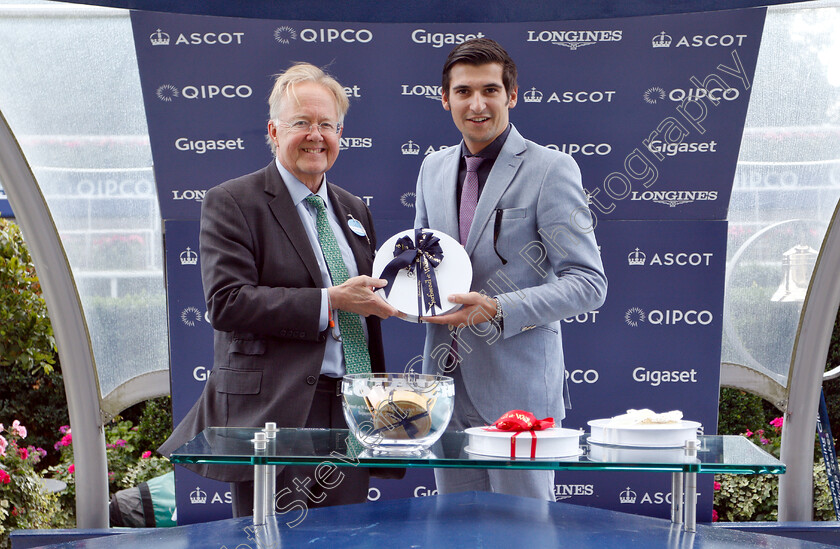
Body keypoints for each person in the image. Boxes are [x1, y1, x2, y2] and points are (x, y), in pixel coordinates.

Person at [158, 62, 400, 517]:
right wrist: (330, 302)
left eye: (327, 124)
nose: (316, 135)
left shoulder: (353, 209)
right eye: (302, 123)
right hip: (278, 411)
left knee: (345, 538)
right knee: (275, 538)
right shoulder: (233, 201)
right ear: (273, 131)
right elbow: (227, 302)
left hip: (353, 408)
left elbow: (368, 300)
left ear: (340, 133)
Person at [414, 38, 608, 501]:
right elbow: (424, 265)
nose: (476, 104)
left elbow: (588, 283)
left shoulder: (550, 169)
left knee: (524, 533)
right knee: (456, 532)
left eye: (490, 90)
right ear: (445, 99)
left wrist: (497, 308)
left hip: (520, 394)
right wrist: (403, 297)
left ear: (512, 95)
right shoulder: (432, 170)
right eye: (462, 92)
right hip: (443, 388)